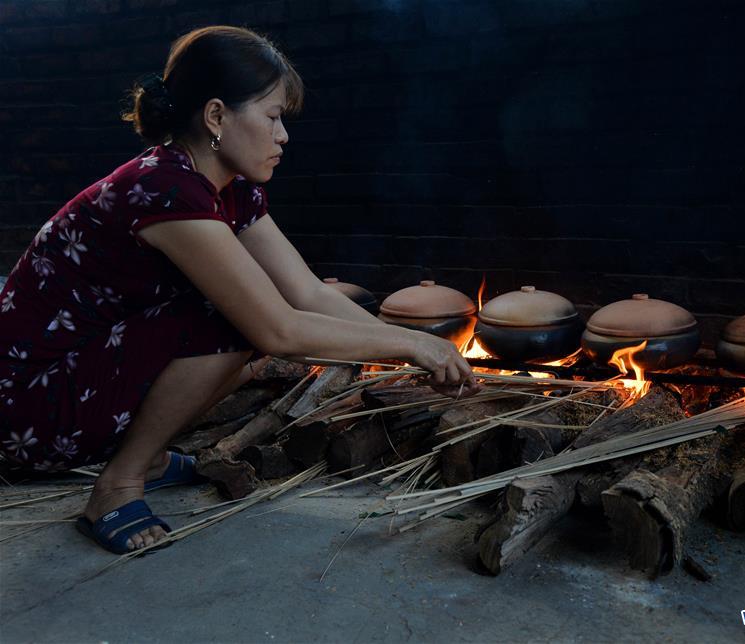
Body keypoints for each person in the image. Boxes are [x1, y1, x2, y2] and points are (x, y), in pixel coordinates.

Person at [0, 25, 478, 555]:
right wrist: (413, 344)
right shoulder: (163, 189)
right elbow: (277, 328)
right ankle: (115, 488)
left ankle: (151, 458)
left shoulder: (231, 190)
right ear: (216, 117)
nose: (284, 136)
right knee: (230, 318)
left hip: (85, 373)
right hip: (26, 407)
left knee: (237, 311)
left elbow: (308, 294)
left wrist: (421, 351)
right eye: (272, 117)